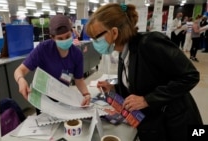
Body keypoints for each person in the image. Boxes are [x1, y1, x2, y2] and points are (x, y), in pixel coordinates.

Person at [85, 3, 203, 141]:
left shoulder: (149, 43)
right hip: (155, 125)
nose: (94, 43)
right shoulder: (124, 53)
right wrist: (114, 87)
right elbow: (139, 83)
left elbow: (190, 75)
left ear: (115, 32)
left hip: (177, 123)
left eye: (96, 38)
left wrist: (147, 100)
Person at [14, 15, 91, 115]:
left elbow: (79, 80)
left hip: (62, 97)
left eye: (67, 36)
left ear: (72, 32)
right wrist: (21, 80)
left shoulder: (76, 54)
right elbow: (19, 70)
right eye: (60, 38)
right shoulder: (43, 49)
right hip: (43, 100)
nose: (64, 40)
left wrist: (86, 94)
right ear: (52, 38)